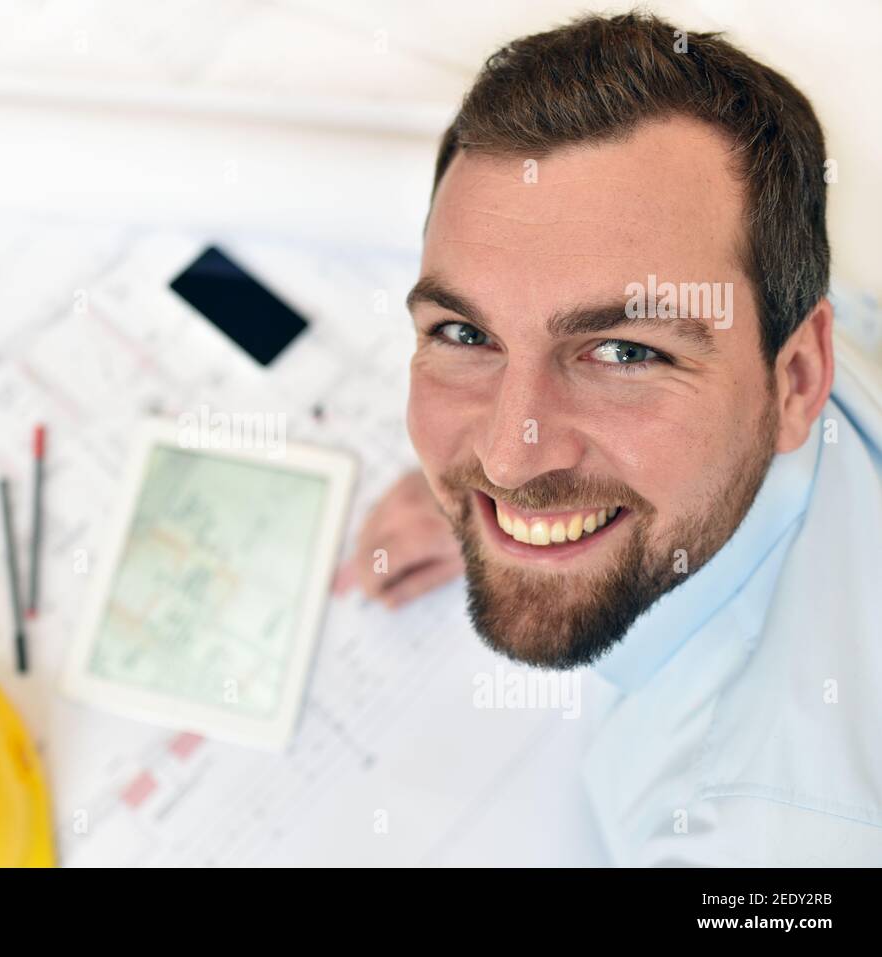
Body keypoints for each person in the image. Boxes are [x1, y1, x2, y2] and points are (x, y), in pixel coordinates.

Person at [335, 12, 882, 865]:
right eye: (464, 335)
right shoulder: (784, 319)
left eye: (625, 352)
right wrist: (502, 515)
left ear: (797, 379)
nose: (511, 456)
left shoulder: (752, 844)